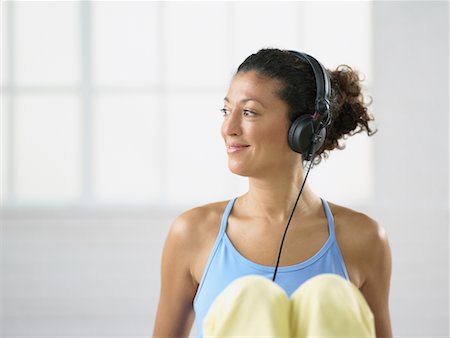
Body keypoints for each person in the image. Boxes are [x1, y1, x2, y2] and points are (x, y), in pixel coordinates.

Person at [152, 48, 392, 338]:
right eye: (226, 111)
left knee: (327, 294)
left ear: (304, 128)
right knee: (251, 297)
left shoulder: (363, 238)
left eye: (249, 112)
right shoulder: (192, 232)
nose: (228, 128)